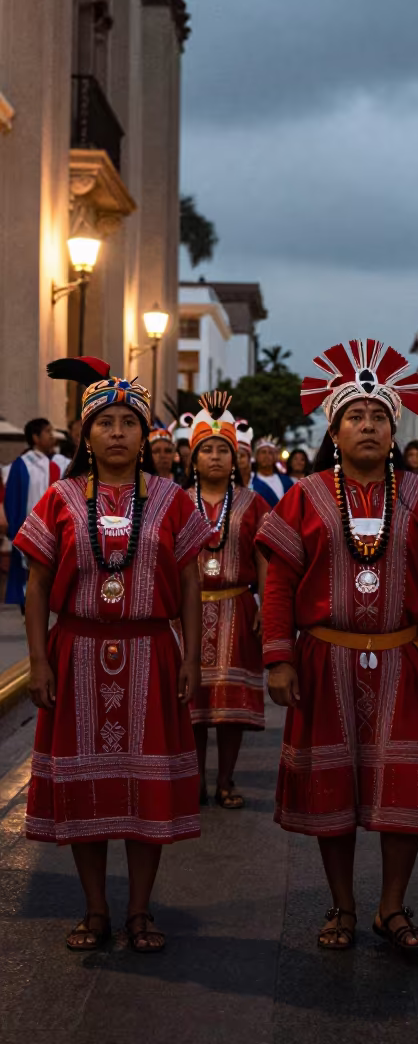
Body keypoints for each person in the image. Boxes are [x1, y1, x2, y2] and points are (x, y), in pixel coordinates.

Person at [258, 339, 418, 952]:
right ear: (335, 430)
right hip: (325, 660)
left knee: (402, 784)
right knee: (335, 789)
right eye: (355, 416)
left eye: (379, 416)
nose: (368, 425)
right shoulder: (305, 494)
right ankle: (342, 906)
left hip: (402, 660)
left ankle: (391, 907)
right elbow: (279, 584)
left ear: (393, 429)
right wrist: (277, 657)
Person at [15, 356, 211, 953]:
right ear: (87, 434)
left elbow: (190, 586)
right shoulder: (60, 498)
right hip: (75, 651)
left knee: (143, 786)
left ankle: (140, 911)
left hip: (151, 651)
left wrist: (193, 659)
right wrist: (39, 662)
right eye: (106, 423)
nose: (118, 432)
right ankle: (95, 910)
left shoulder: (174, 500)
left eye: (129, 421)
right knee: (87, 785)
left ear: (145, 432)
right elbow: (38, 587)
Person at [186, 393, 270, 808]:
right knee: (193, 703)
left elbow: (265, 557)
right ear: (194, 458)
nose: (217, 457)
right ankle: (195, 780)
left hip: (238, 605)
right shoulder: (175, 502)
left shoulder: (254, 504)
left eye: (225, 450)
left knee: (230, 708)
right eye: (208, 450)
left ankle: (226, 780)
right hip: (188, 612)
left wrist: (269, 607)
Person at [4, 417, 64, 606]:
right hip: (28, 531)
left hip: (53, 531)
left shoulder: (58, 464)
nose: (51, 436)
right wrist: (15, 532)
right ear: (35, 437)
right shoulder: (22, 465)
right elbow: (12, 502)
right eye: (47, 432)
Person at [253, 436, 293, 503]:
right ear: (256, 456)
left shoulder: (287, 481)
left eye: (270, 453)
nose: (267, 456)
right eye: (263, 452)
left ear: (275, 457)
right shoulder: (251, 482)